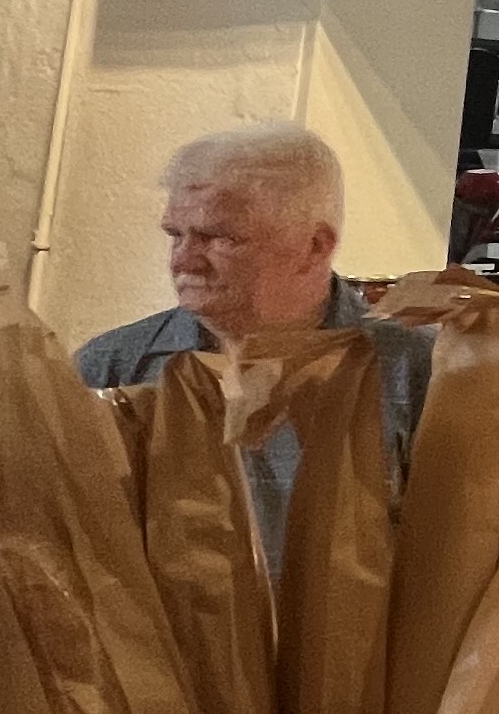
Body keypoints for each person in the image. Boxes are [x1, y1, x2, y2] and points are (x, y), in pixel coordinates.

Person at [77, 122, 433, 569]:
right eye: (175, 234)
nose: (183, 260)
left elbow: (446, 561)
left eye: (219, 237)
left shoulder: (418, 370)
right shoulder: (112, 369)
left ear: (314, 245)